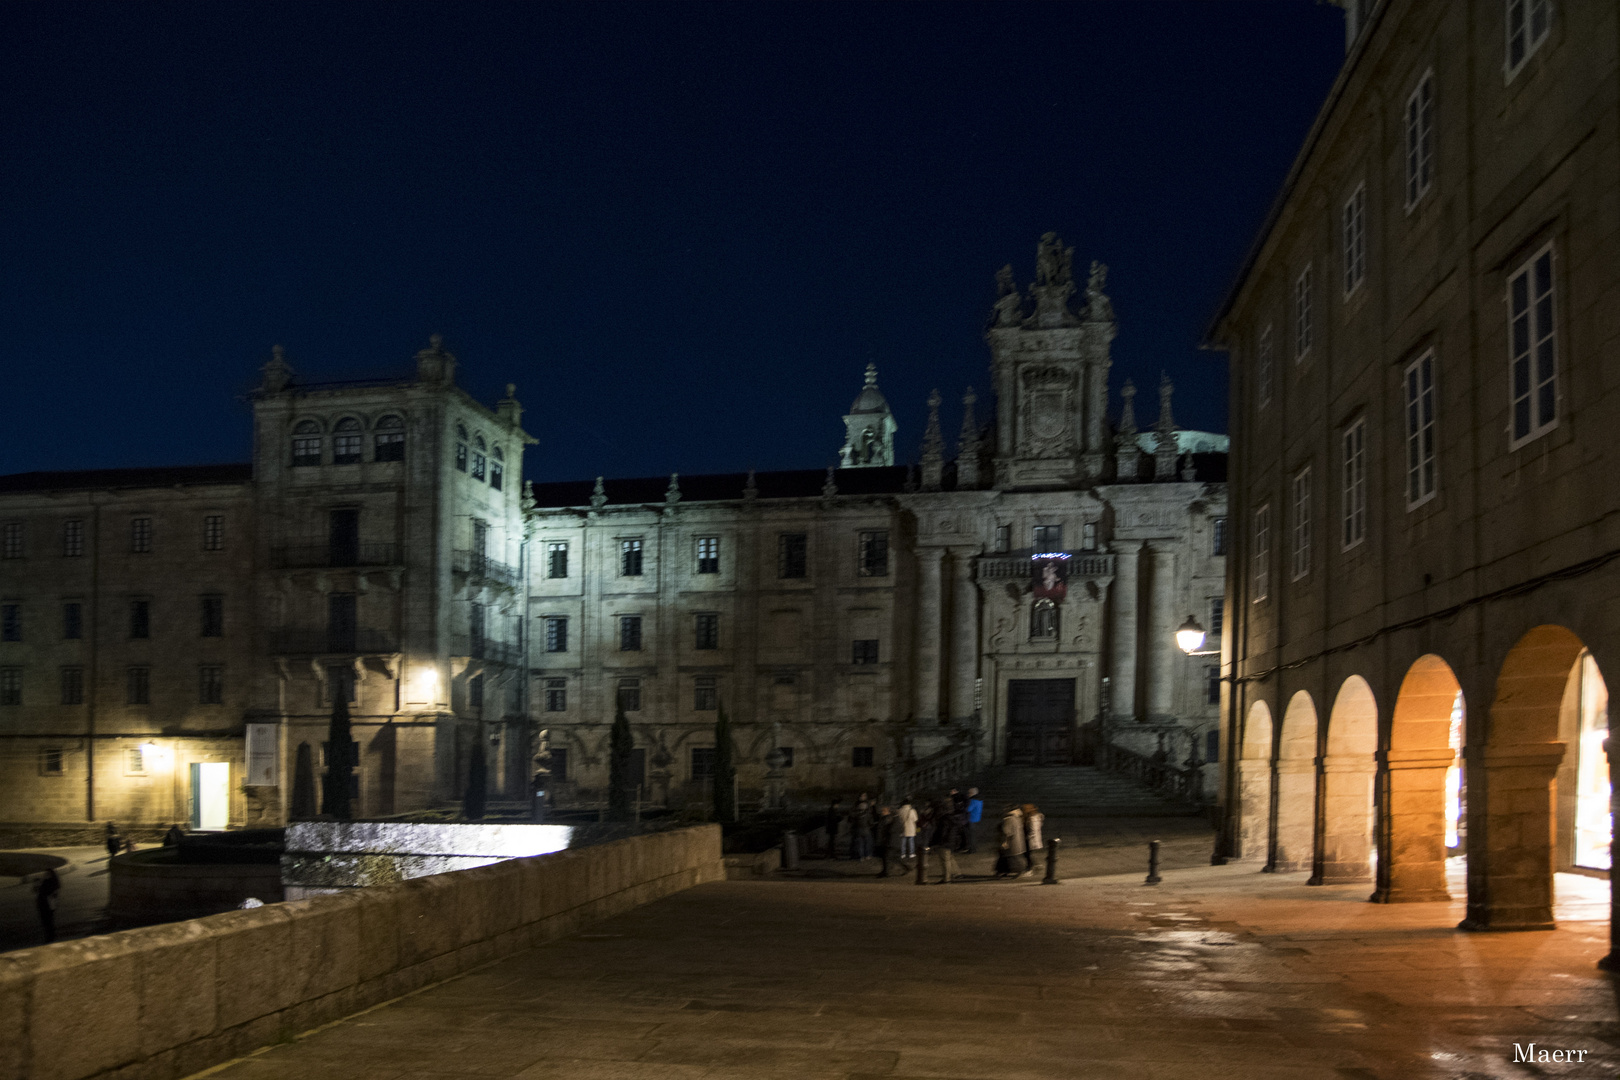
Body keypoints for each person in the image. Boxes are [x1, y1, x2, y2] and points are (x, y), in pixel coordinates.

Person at [932, 796, 960, 883]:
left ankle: (947, 878)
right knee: (950, 858)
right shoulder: (952, 818)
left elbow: (942, 832)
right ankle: (956, 873)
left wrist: (937, 842)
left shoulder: (944, 820)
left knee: (945, 860)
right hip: (951, 841)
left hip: (945, 842)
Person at [998, 804, 1027, 878]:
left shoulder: (1008, 819)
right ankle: (1007, 871)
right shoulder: (1018, 818)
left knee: (1012, 857)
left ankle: (1018, 871)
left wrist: (1005, 842)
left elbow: (1007, 832)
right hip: (1018, 841)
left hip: (1011, 842)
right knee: (1015, 857)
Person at [34, 867, 60, 943]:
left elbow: (47, 893)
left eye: (47, 874)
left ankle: (50, 937)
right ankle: (50, 936)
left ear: (51, 874)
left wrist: (39, 885)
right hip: (46, 905)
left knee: (47, 922)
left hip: (46, 905)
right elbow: (36, 890)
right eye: (45, 873)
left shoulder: (50, 882)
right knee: (47, 922)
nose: (45, 875)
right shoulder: (49, 882)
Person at [851, 794, 874, 861]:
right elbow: (871, 822)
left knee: (860, 844)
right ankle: (867, 855)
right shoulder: (868, 815)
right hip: (866, 830)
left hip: (858, 830)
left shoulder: (856, 814)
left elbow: (853, 821)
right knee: (867, 843)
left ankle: (861, 857)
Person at [1023, 803, 1045, 873]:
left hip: (1031, 839)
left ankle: (1030, 868)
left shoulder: (1033, 819)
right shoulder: (1037, 817)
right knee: (1028, 854)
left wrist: (1028, 836)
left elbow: (1033, 830)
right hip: (1032, 839)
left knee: (1027, 854)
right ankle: (1035, 866)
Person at [875, 806, 895, 876]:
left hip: (886, 841)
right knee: (884, 857)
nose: (882, 812)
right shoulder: (884, 818)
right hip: (883, 840)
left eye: (884, 811)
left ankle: (886, 871)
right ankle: (885, 870)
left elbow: (885, 830)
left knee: (886, 857)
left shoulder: (888, 818)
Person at [964, 788, 984, 854]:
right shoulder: (980, 800)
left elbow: (968, 809)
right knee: (973, 835)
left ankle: (972, 849)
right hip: (977, 818)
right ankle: (974, 848)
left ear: (973, 793)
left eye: (969, 793)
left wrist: (965, 807)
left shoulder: (973, 800)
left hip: (972, 819)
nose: (968, 794)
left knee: (971, 836)